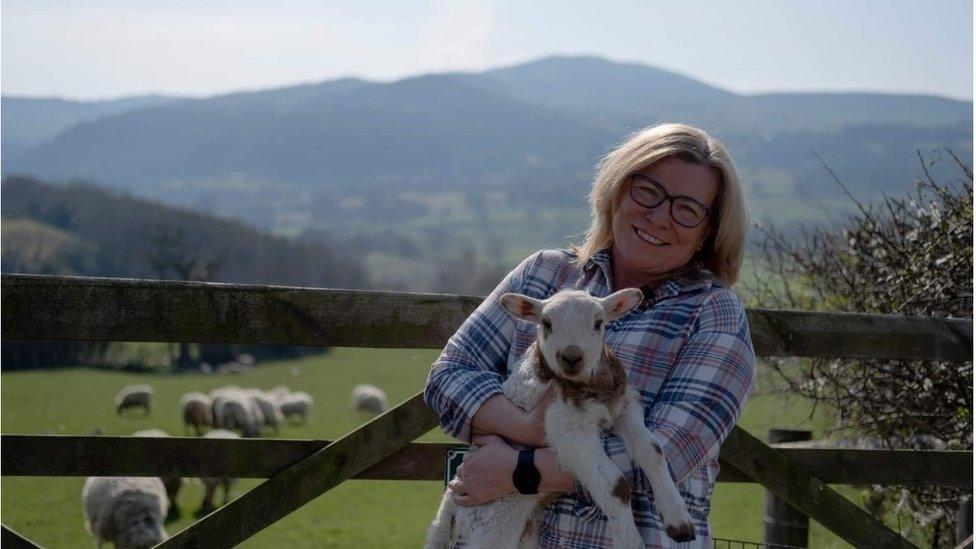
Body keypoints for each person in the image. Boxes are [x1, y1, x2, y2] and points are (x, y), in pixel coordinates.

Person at [424, 123, 756, 547]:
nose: (659, 217)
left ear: (707, 233)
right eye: (648, 191)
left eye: (687, 209)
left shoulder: (713, 314)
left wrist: (518, 470)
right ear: (617, 190)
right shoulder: (545, 274)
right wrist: (527, 426)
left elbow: (672, 449)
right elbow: (449, 375)